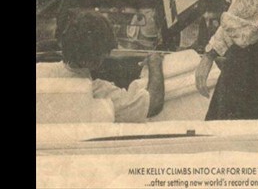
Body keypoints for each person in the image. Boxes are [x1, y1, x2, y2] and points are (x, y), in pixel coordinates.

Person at [36, 10, 164, 121]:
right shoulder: (99, 91)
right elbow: (153, 105)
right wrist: (155, 63)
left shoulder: (40, 71)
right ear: (97, 59)